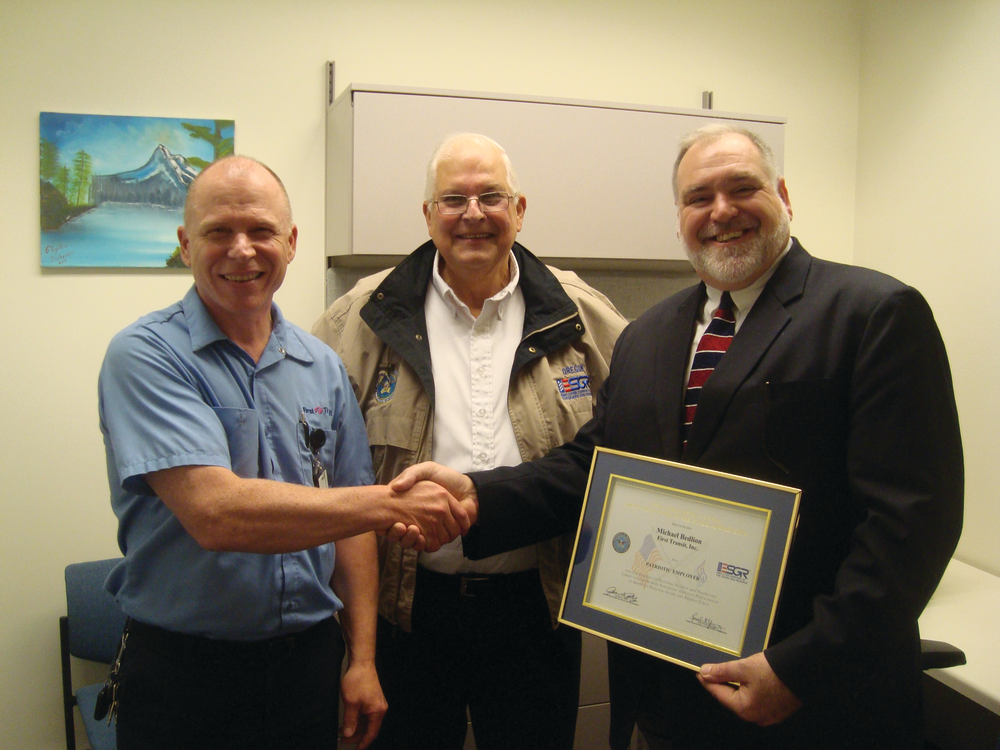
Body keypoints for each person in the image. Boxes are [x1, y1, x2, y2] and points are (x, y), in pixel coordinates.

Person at [391, 124, 964, 749]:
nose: (721, 211)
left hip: (816, 701)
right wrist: (476, 495)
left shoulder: (871, 313)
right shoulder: (649, 335)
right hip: (669, 686)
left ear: (784, 196)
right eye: (698, 197)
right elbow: (592, 467)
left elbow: (911, 525)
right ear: (680, 215)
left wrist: (802, 667)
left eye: (741, 188)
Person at [98, 155, 471, 750]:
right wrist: (391, 502)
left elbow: (350, 526)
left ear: (291, 243)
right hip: (186, 676)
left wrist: (363, 658)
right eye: (218, 231)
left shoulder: (320, 364)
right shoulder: (145, 356)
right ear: (184, 243)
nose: (241, 250)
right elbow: (216, 513)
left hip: (308, 666)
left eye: (261, 231)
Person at [312, 133, 627, 750]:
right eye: (453, 198)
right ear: (428, 215)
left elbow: (630, 442)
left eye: (491, 197)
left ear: (520, 208)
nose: (473, 214)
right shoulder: (360, 316)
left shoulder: (581, 315)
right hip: (406, 615)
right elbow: (308, 456)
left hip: (536, 610)